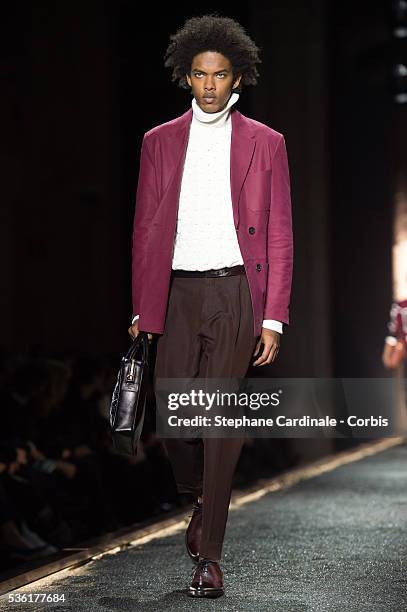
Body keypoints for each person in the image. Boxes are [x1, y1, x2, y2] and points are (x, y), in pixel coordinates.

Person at [128, 14, 293, 599]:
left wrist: (272, 315)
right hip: (176, 291)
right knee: (176, 416)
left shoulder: (266, 143)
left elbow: (278, 234)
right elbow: (147, 230)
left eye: (219, 75)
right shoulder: (158, 142)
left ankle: (211, 557)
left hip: (234, 292)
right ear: (185, 78)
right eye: (199, 74)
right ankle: (199, 498)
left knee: (220, 421)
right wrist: (144, 311)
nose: (209, 85)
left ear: (237, 78)